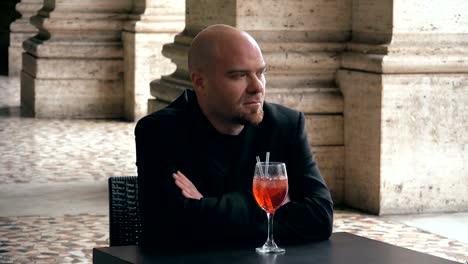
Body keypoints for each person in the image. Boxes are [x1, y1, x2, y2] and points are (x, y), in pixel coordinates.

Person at [135, 24, 333, 252]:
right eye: (239, 75)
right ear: (200, 82)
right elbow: (169, 228)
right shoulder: (160, 131)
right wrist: (273, 207)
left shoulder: (285, 125)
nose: (257, 87)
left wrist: (204, 205)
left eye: (261, 73)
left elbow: (320, 217)